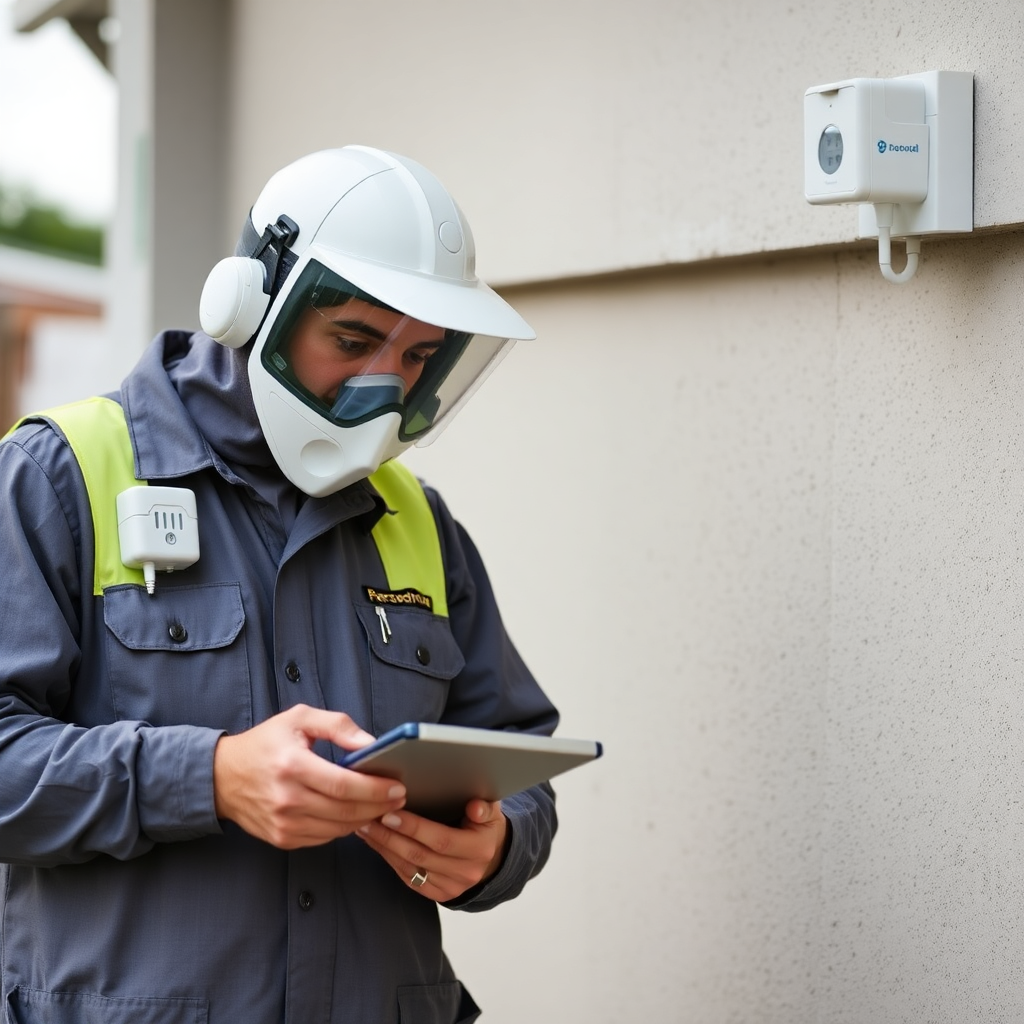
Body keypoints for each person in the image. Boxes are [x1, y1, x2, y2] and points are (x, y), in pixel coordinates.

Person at [0, 145, 559, 1024]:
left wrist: (495, 847)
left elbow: (517, 764)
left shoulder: (421, 524)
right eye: (353, 340)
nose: (385, 385)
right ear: (249, 304)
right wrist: (211, 777)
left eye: (418, 358)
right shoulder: (58, 478)